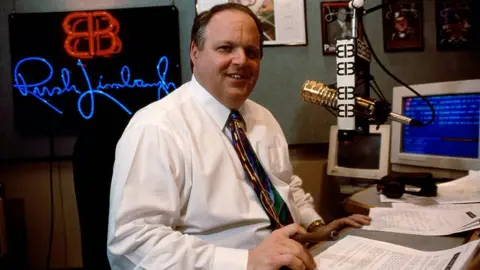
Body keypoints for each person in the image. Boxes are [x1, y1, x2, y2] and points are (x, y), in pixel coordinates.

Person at [107, 3, 371, 270]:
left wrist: (317, 228)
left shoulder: (263, 117)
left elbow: (286, 185)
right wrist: (245, 261)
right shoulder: (157, 127)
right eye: (226, 48)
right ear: (194, 53)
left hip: (295, 256)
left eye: (251, 52)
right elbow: (132, 244)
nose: (242, 60)